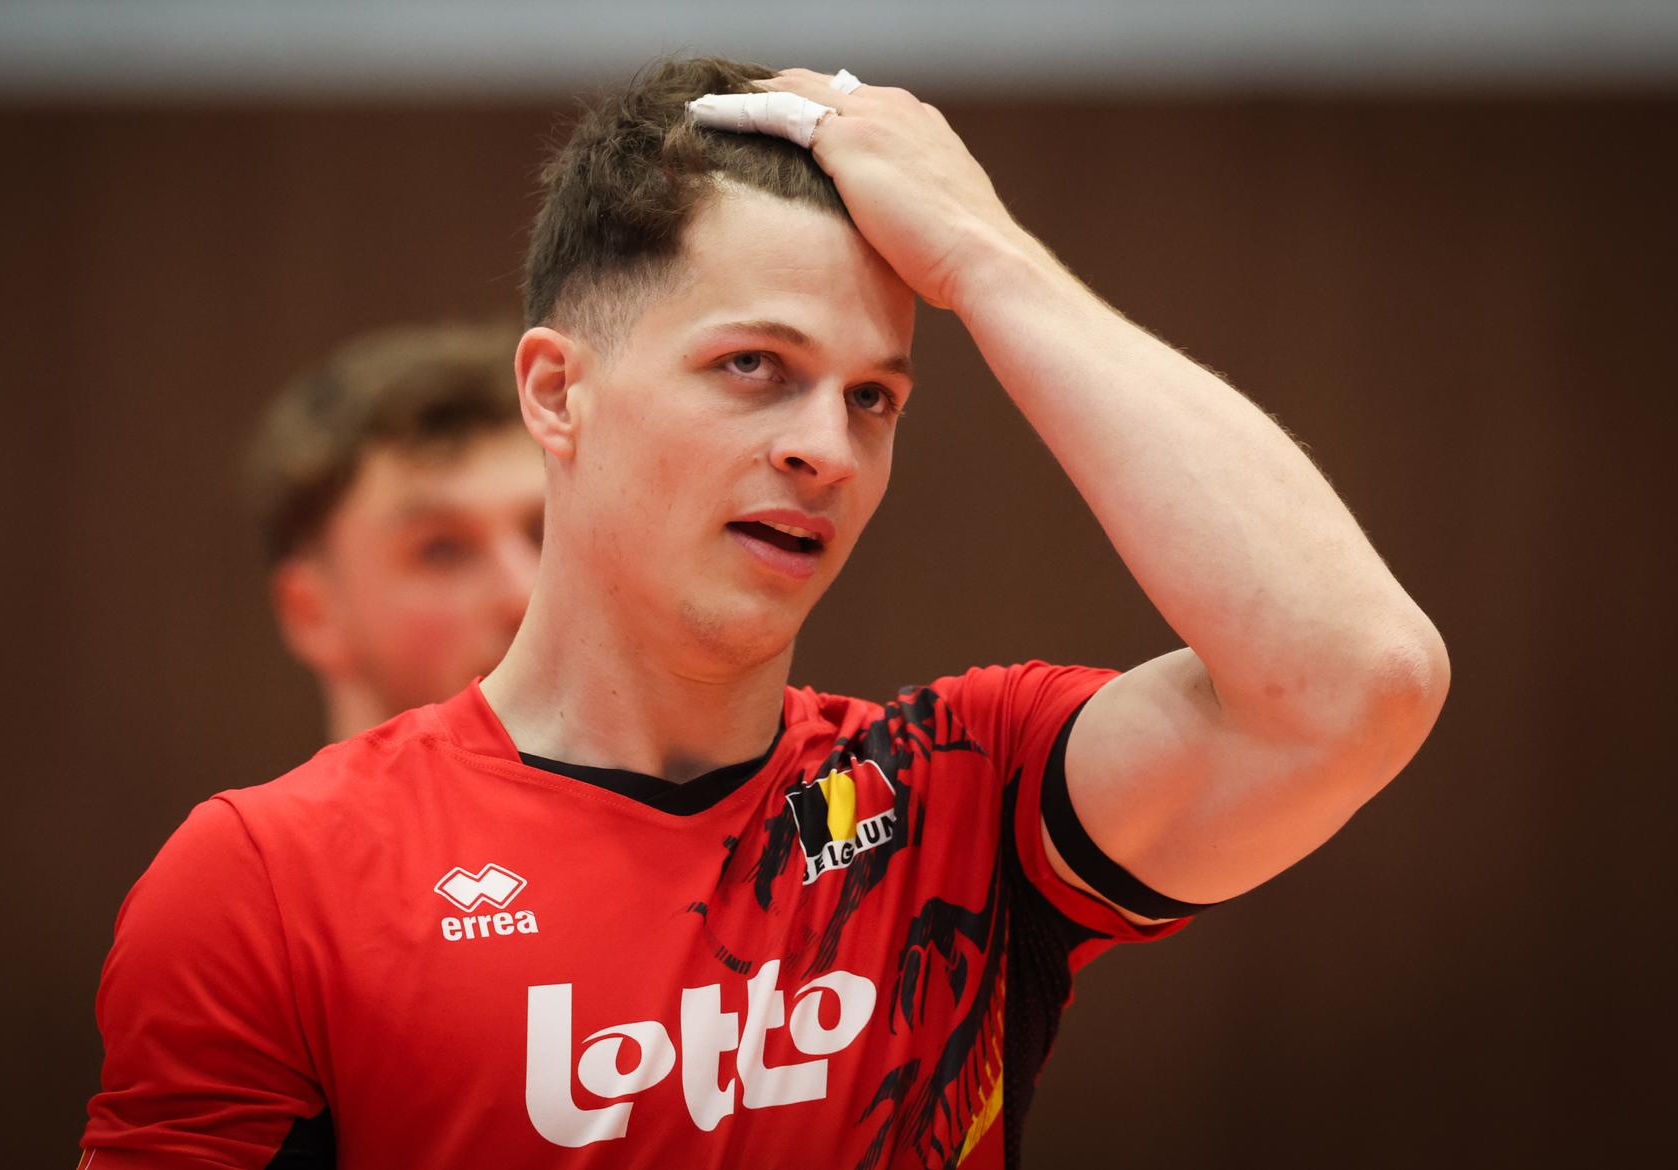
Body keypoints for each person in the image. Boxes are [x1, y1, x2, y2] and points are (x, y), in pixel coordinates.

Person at [80, 58, 1448, 1169]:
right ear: (557, 394)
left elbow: (1356, 680)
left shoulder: (955, 798)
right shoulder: (267, 879)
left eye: (874, 396)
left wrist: (988, 259)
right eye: (755, 367)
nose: (827, 451)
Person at [245, 321, 544, 741]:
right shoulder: (249, 811)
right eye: (441, 550)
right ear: (312, 614)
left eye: (545, 534)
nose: (525, 593)